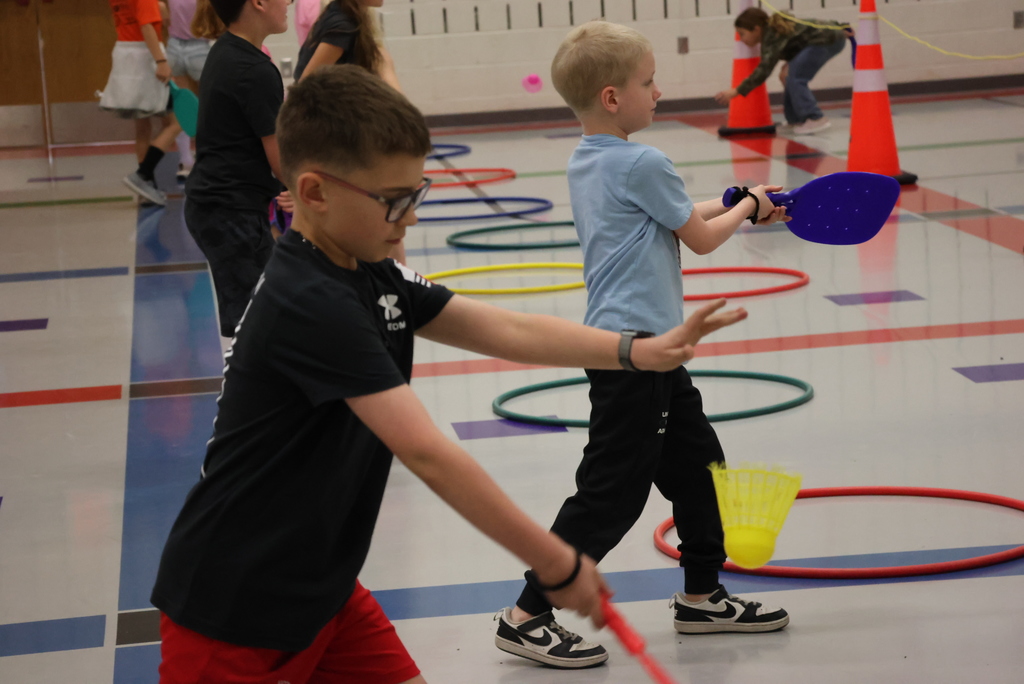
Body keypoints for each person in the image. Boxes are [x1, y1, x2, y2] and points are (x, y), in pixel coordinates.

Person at [150, 64, 749, 684]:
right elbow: (427, 452)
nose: (409, 220)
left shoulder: (368, 271)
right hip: (236, 605)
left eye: (417, 195)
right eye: (394, 202)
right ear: (315, 192)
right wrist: (555, 561)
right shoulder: (311, 302)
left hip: (323, 584)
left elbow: (505, 329)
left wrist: (636, 352)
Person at [493, 21, 791, 670]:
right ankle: (526, 613)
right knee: (611, 492)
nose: (657, 92)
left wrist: (739, 200)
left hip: (648, 352)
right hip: (634, 354)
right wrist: (748, 209)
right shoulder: (644, 161)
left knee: (701, 469)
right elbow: (700, 239)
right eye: (648, 81)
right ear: (612, 97)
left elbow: (673, 214)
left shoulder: (590, 158)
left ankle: (702, 596)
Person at [183, 0, 292, 342]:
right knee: (258, 324)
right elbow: (281, 161)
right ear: (258, 3)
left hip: (217, 204)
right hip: (230, 212)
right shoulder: (254, 70)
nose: (289, 2)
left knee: (265, 314)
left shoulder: (226, 50)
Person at [293, 0, 406, 261]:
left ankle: (397, 276)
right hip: (333, 141)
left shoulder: (351, 20)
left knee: (388, 223)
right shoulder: (342, 25)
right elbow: (305, 85)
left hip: (346, 136)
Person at [715, 7, 851, 135]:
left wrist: (736, 91)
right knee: (786, 76)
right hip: (824, 39)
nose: (741, 39)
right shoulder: (772, 30)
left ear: (756, 29)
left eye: (742, 34)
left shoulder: (771, 36)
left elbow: (764, 70)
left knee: (795, 78)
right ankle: (795, 120)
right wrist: (840, 26)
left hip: (825, 42)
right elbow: (809, 25)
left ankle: (816, 118)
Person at [102, 0, 184, 205]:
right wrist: (161, 62)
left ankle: (147, 187)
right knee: (176, 123)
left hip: (126, 57)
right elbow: (147, 26)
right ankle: (143, 174)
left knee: (142, 127)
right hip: (147, 59)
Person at [165, 0, 212, 181]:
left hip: (174, 47)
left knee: (183, 107)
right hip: (199, 46)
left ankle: (185, 161)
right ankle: (207, 157)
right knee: (208, 105)